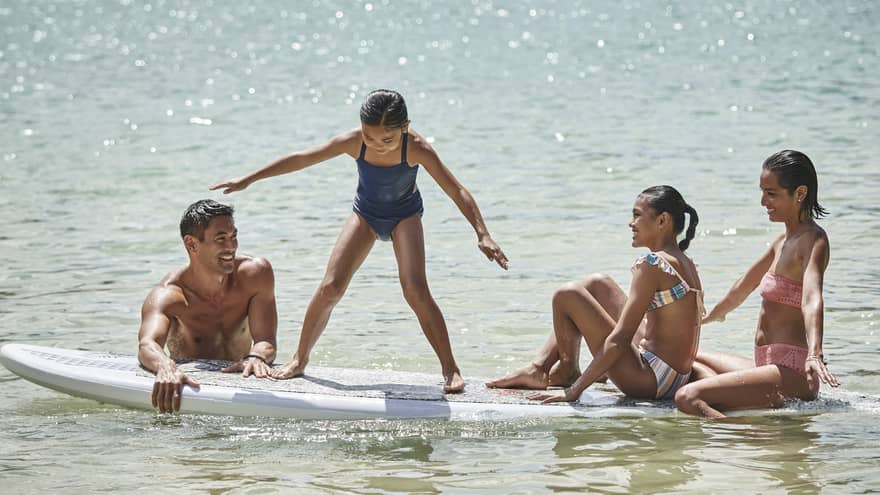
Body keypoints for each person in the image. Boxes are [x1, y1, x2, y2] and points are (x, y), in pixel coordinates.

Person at [210, 89, 508, 392]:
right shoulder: (353, 141)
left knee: (415, 290)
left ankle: (450, 369)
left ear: (405, 127)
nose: (377, 146)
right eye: (370, 137)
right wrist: (249, 178)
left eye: (387, 139)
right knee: (330, 287)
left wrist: (482, 233)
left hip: (404, 217)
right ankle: (300, 359)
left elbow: (456, 189)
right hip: (365, 215)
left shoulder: (416, 148)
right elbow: (302, 159)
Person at [487, 186, 703, 403]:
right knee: (598, 283)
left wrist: (575, 391)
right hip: (675, 377)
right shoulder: (685, 262)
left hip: (650, 381)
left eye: (637, 215)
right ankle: (542, 368)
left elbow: (619, 340)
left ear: (662, 221)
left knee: (567, 294)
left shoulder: (652, 264)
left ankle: (568, 373)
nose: (631, 223)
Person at [675, 150, 840, 418]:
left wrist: (815, 353)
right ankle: (731, 399)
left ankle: (753, 435)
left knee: (687, 397)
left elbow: (812, 299)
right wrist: (705, 319)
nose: (763, 201)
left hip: (792, 373)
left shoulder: (814, 241)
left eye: (771, 193)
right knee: (686, 355)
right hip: (766, 365)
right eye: (762, 192)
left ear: (799, 193)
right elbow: (742, 287)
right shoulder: (782, 241)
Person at [137, 199, 278, 413]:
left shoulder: (256, 275)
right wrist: (165, 368)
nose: (231, 247)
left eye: (234, 237)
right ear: (192, 244)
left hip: (242, 376)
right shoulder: (169, 296)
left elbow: (266, 340)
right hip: (194, 391)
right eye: (221, 239)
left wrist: (257, 357)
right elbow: (147, 345)